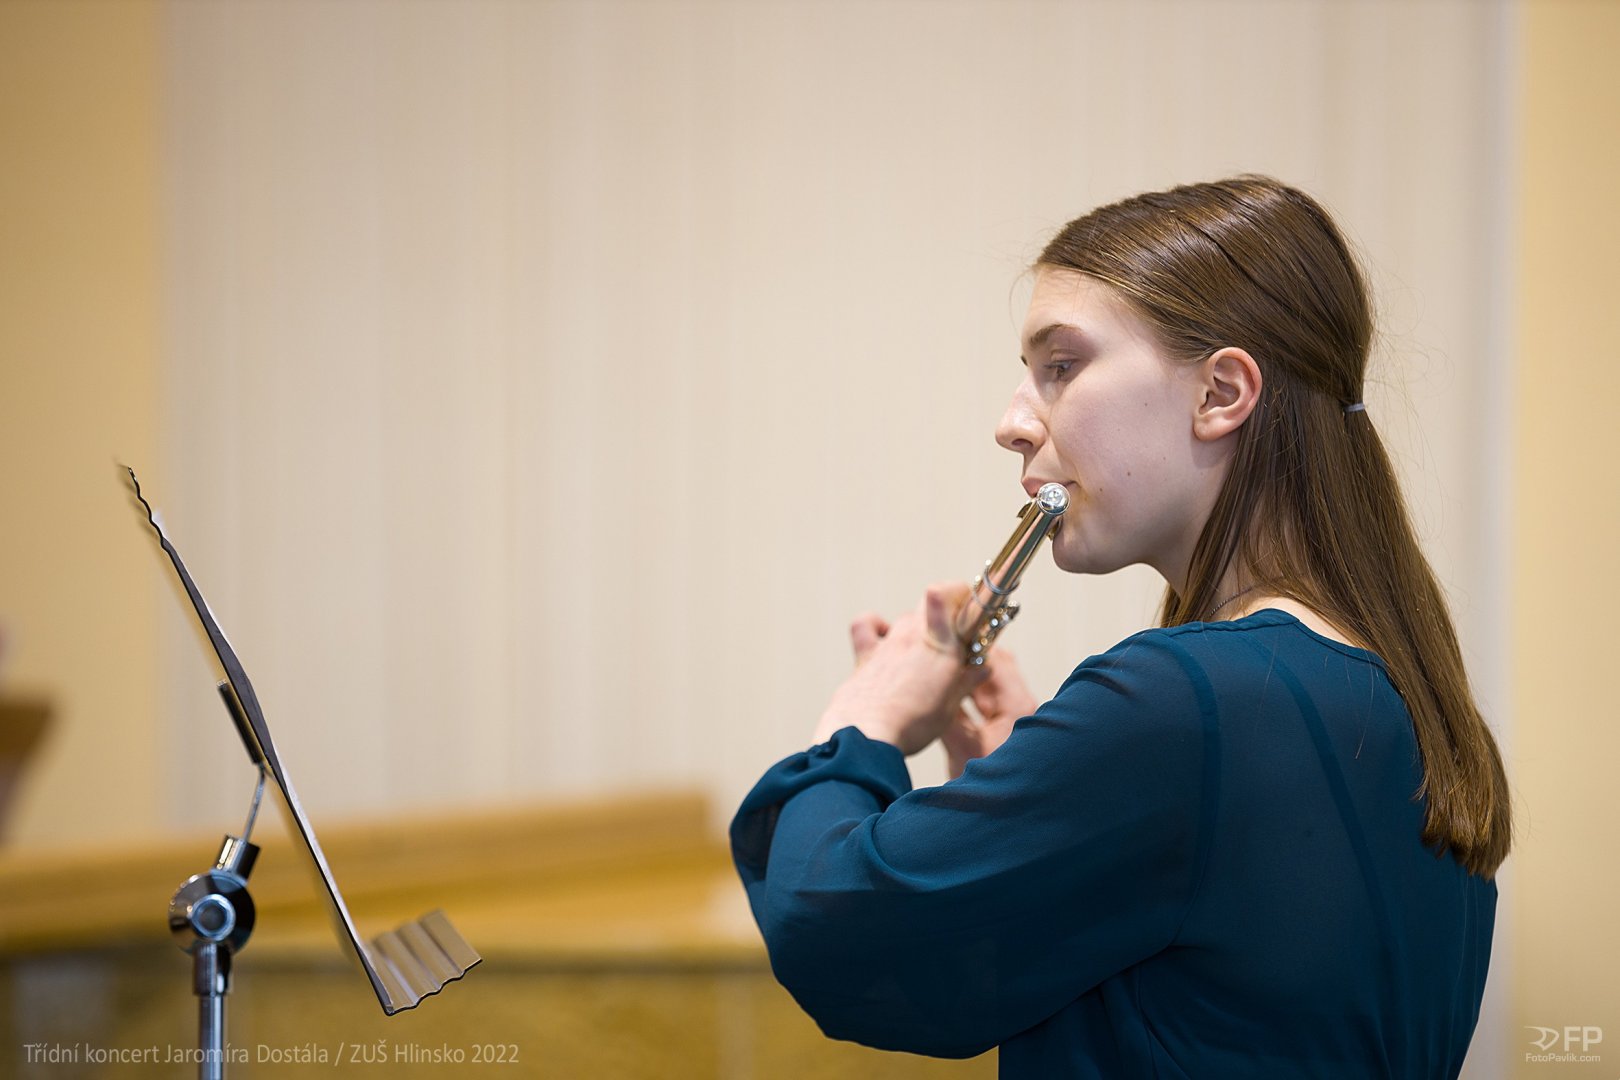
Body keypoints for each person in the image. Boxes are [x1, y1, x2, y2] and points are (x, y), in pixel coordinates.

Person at [729, 176, 1511, 1078]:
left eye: (1061, 366)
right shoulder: (1409, 699)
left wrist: (861, 721)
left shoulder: (1185, 702)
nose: (1012, 424)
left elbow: (837, 930)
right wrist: (1037, 796)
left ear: (1220, 393)